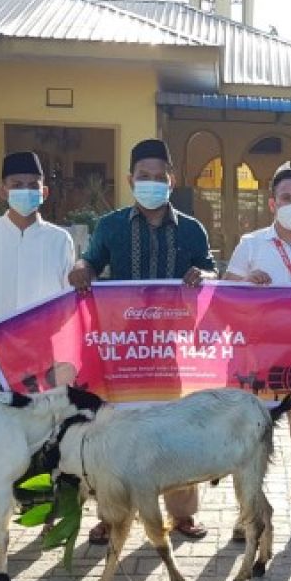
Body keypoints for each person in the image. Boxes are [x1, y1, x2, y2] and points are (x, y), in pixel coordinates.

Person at [70, 138, 216, 542]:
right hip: (121, 349)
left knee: (175, 428)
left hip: (170, 351)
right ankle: (111, 513)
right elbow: (91, 261)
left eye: (159, 176)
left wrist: (201, 276)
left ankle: (183, 515)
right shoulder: (111, 226)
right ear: (130, 179)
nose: (152, 183)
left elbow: (210, 274)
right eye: (143, 177)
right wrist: (81, 268)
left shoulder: (191, 229)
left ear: (172, 179)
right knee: (114, 430)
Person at [224, 167, 291, 543]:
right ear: (272, 203)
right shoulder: (251, 243)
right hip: (258, 359)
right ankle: (248, 513)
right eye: (286, 199)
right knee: (252, 439)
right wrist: (246, 282)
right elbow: (227, 290)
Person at [0, 151, 75, 387]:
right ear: (2, 190)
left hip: (44, 364)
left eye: (32, 185)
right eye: (17, 185)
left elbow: (68, 304)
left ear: (44, 192)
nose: (25, 191)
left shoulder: (60, 239)